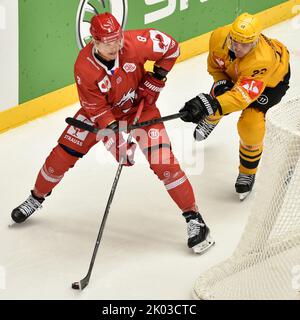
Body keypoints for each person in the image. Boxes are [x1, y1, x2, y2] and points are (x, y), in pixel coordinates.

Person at [11, 12, 214, 254]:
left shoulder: (134, 43)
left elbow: (171, 48)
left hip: (142, 108)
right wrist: (115, 142)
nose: (116, 46)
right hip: (101, 115)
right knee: (61, 155)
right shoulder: (84, 68)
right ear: (94, 41)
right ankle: (36, 197)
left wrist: (157, 78)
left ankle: (194, 219)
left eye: (117, 39)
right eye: (108, 43)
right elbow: (96, 109)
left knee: (165, 164)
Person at [179, 12, 290, 200]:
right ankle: (211, 120)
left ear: (254, 42)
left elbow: (241, 98)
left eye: (245, 44)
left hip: (271, 83)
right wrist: (221, 83)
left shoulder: (262, 60)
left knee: (250, 125)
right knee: (217, 95)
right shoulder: (218, 37)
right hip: (241, 73)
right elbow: (215, 68)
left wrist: (211, 104)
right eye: (235, 41)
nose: (238, 47)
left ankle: (248, 171)